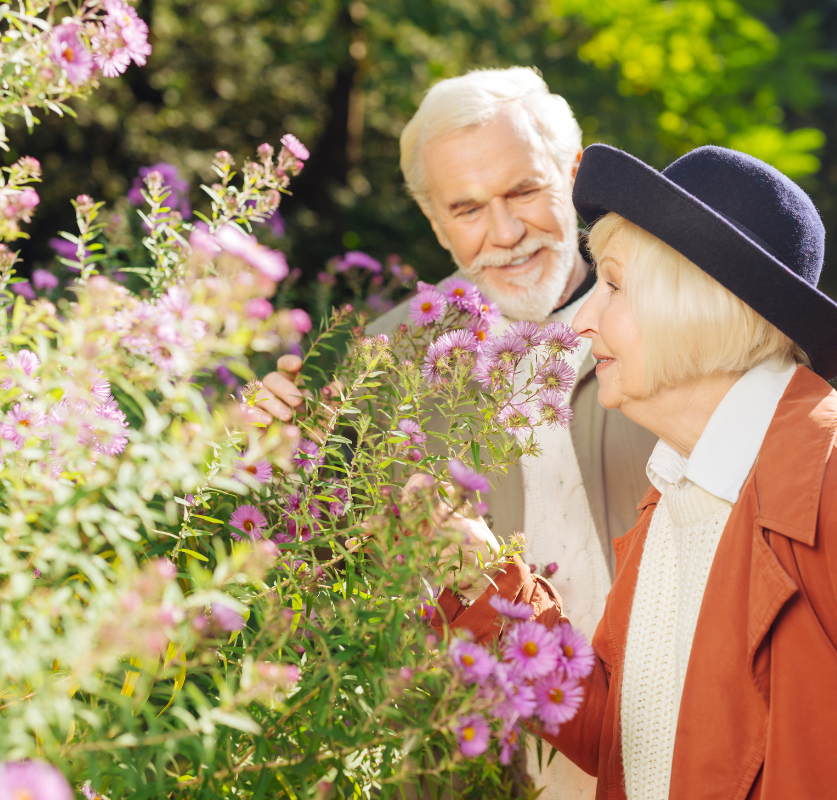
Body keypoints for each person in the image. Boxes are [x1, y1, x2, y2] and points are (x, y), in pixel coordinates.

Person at [431, 143, 837, 798]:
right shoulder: (677, 498)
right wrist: (482, 578)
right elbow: (622, 740)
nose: (584, 321)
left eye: (615, 285)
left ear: (704, 303)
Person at [252, 69, 656, 797]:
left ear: (572, 176)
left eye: (524, 191)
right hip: (473, 761)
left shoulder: (673, 323)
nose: (504, 234)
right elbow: (319, 569)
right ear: (436, 224)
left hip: (665, 736)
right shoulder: (385, 363)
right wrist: (270, 454)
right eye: (466, 208)